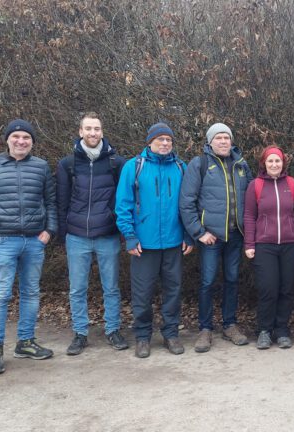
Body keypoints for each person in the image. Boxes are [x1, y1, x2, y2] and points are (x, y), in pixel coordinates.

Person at [0, 119, 57, 376]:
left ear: (32, 142)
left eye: (26, 137)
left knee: (30, 293)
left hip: (34, 241)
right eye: (16, 136)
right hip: (2, 240)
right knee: (0, 294)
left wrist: (49, 231)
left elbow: (50, 202)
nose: (21, 141)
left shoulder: (41, 167)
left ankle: (25, 342)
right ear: (7, 139)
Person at [115, 122, 194, 358]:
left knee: (173, 290)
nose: (165, 143)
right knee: (142, 293)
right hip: (144, 244)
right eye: (160, 139)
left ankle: (171, 334)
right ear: (149, 142)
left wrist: (189, 233)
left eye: (169, 140)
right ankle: (142, 336)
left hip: (173, 242)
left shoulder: (181, 167)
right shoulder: (134, 166)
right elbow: (123, 204)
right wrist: (129, 236)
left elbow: (189, 205)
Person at [56, 112, 128, 355]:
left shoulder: (116, 163)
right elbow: (62, 201)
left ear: (102, 132)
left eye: (96, 129)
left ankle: (113, 329)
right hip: (77, 236)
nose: (93, 133)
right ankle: (80, 333)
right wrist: (63, 232)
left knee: (111, 287)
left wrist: (117, 226)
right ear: (80, 132)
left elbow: (123, 199)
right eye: (88, 129)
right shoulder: (68, 164)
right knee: (77, 288)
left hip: (107, 234)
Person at [179, 123, 252, 353]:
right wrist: (199, 233)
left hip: (236, 236)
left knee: (232, 280)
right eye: (218, 137)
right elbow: (186, 202)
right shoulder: (199, 164)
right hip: (210, 237)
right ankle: (205, 328)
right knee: (207, 283)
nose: (223, 141)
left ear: (231, 141)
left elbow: (251, 201)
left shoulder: (241, 165)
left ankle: (230, 325)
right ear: (210, 142)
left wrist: (250, 230)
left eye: (226, 137)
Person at [243, 146, 294, 350]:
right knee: (268, 289)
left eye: (277, 161)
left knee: (286, 289)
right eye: (270, 161)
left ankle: (282, 330)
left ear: (283, 163)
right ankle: (264, 330)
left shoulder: (292, 184)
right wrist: (249, 243)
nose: (274, 165)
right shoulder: (256, 185)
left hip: (290, 244)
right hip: (264, 245)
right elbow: (249, 216)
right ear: (264, 163)